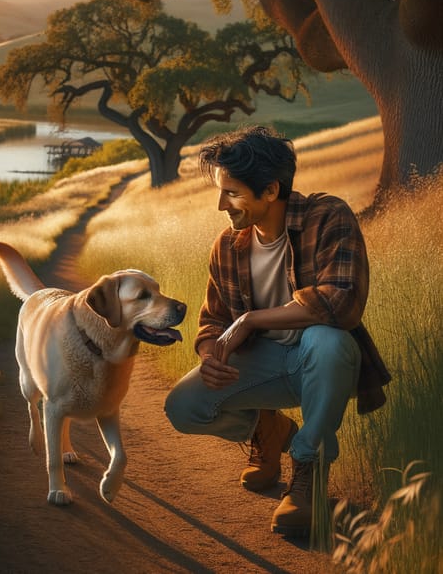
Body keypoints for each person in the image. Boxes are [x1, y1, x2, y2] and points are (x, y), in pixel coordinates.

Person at [164, 125, 391, 537]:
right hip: (263, 365)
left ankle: (307, 470)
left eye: (231, 192)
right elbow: (213, 320)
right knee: (182, 407)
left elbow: (342, 301)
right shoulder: (227, 245)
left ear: (270, 190)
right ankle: (269, 431)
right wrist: (210, 355)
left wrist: (250, 320)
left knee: (328, 339)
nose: (221, 205)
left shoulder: (329, 216)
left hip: (319, 363)